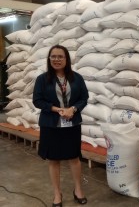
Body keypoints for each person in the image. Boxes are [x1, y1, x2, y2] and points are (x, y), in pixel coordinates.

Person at [33, 45, 89, 207]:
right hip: (51, 125)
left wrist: (73, 108)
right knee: (54, 159)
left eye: (60, 56)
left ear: (67, 59)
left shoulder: (77, 78)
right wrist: (56, 109)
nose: (56, 59)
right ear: (49, 59)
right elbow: (37, 100)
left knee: (74, 157)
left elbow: (84, 98)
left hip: (72, 124)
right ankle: (57, 193)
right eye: (53, 57)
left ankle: (78, 190)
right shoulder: (42, 79)